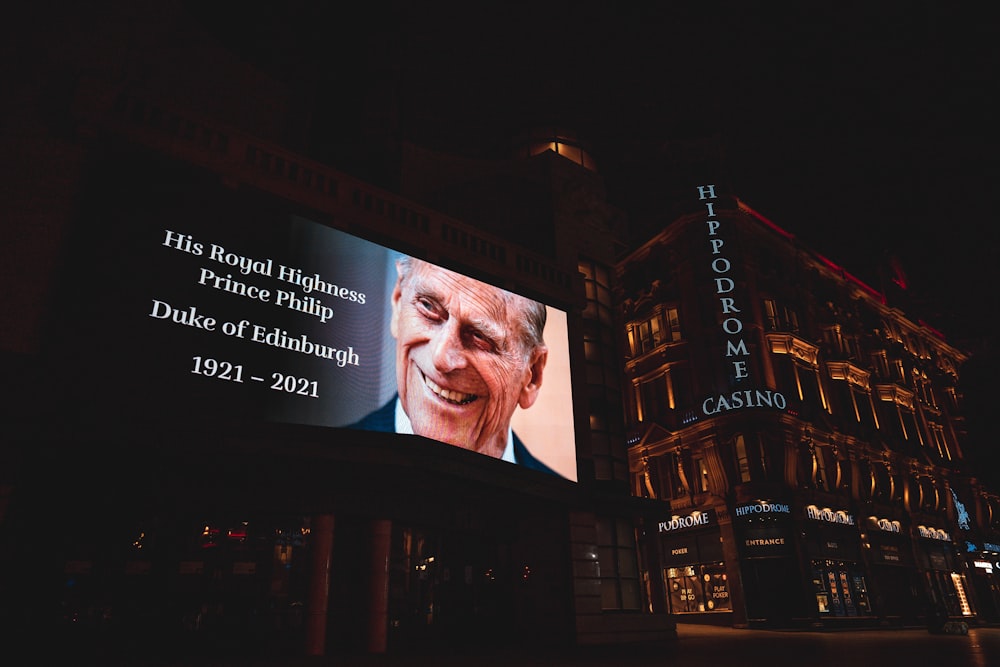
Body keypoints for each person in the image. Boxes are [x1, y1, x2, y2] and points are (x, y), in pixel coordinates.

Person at [350, 256, 559, 476]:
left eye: (481, 337)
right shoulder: (327, 465)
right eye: (428, 307)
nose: (441, 358)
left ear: (532, 376)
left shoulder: (563, 506)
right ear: (399, 302)